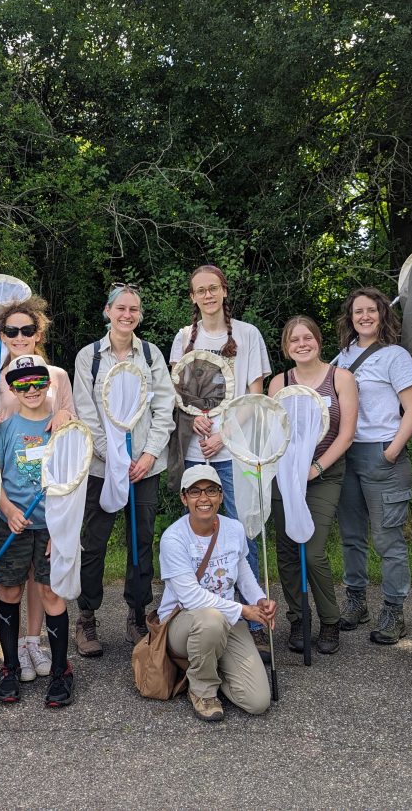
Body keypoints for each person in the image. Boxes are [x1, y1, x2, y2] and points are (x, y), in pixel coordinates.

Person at [168, 264, 272, 658]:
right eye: (201, 290)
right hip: (195, 452)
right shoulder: (183, 338)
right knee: (197, 533)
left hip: (234, 451)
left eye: (214, 288)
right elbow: (178, 391)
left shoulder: (247, 334)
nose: (208, 295)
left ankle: (253, 623)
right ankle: (197, 610)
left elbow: (255, 395)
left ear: (224, 291)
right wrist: (194, 417)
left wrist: (224, 435)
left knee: (245, 532)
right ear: (193, 297)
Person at [72, 283, 175, 655]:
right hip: (102, 468)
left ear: (139, 315)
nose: (127, 315)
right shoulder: (89, 357)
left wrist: (148, 455)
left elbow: (164, 408)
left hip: (144, 468)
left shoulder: (150, 355)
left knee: (141, 542)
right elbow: (85, 412)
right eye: (121, 308)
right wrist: (113, 456)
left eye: (134, 309)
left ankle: (137, 614)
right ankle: (86, 617)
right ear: (108, 311)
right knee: (94, 543)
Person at [0, 295, 75, 684]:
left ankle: (41, 650)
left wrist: (61, 525)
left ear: (38, 333)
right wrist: (4, 508)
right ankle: (11, 662)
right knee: (11, 588)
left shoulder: (57, 376)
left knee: (48, 589)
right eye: (11, 330)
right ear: (2, 335)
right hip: (13, 509)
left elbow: (72, 454)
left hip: (49, 515)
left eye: (27, 329)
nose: (19, 335)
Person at [334, 288, 412, 644]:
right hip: (346, 453)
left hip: (382, 453)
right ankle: (356, 601)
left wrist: (392, 450)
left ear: (382, 314)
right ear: (350, 317)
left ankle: (393, 611)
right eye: (358, 311)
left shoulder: (395, 356)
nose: (365, 316)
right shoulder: (342, 357)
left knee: (388, 539)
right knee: (351, 536)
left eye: (371, 310)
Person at [157, 465, 277, 722]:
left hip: (226, 620)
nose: (204, 498)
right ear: (184, 498)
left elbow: (243, 573)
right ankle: (203, 692)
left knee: (257, 702)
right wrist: (244, 610)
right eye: (195, 492)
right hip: (184, 623)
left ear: (221, 496)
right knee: (211, 619)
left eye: (211, 490)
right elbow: (191, 598)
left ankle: (209, 665)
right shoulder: (173, 538)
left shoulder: (234, 528)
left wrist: (259, 600)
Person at [268, 316, 357, 655]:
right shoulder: (279, 383)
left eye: (307, 337)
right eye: (294, 340)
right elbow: (274, 431)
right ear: (286, 347)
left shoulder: (341, 378)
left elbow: (346, 434)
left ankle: (330, 620)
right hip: (285, 475)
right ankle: (298, 618)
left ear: (318, 341)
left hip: (324, 474)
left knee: (313, 550)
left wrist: (316, 467)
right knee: (288, 550)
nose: (302, 344)